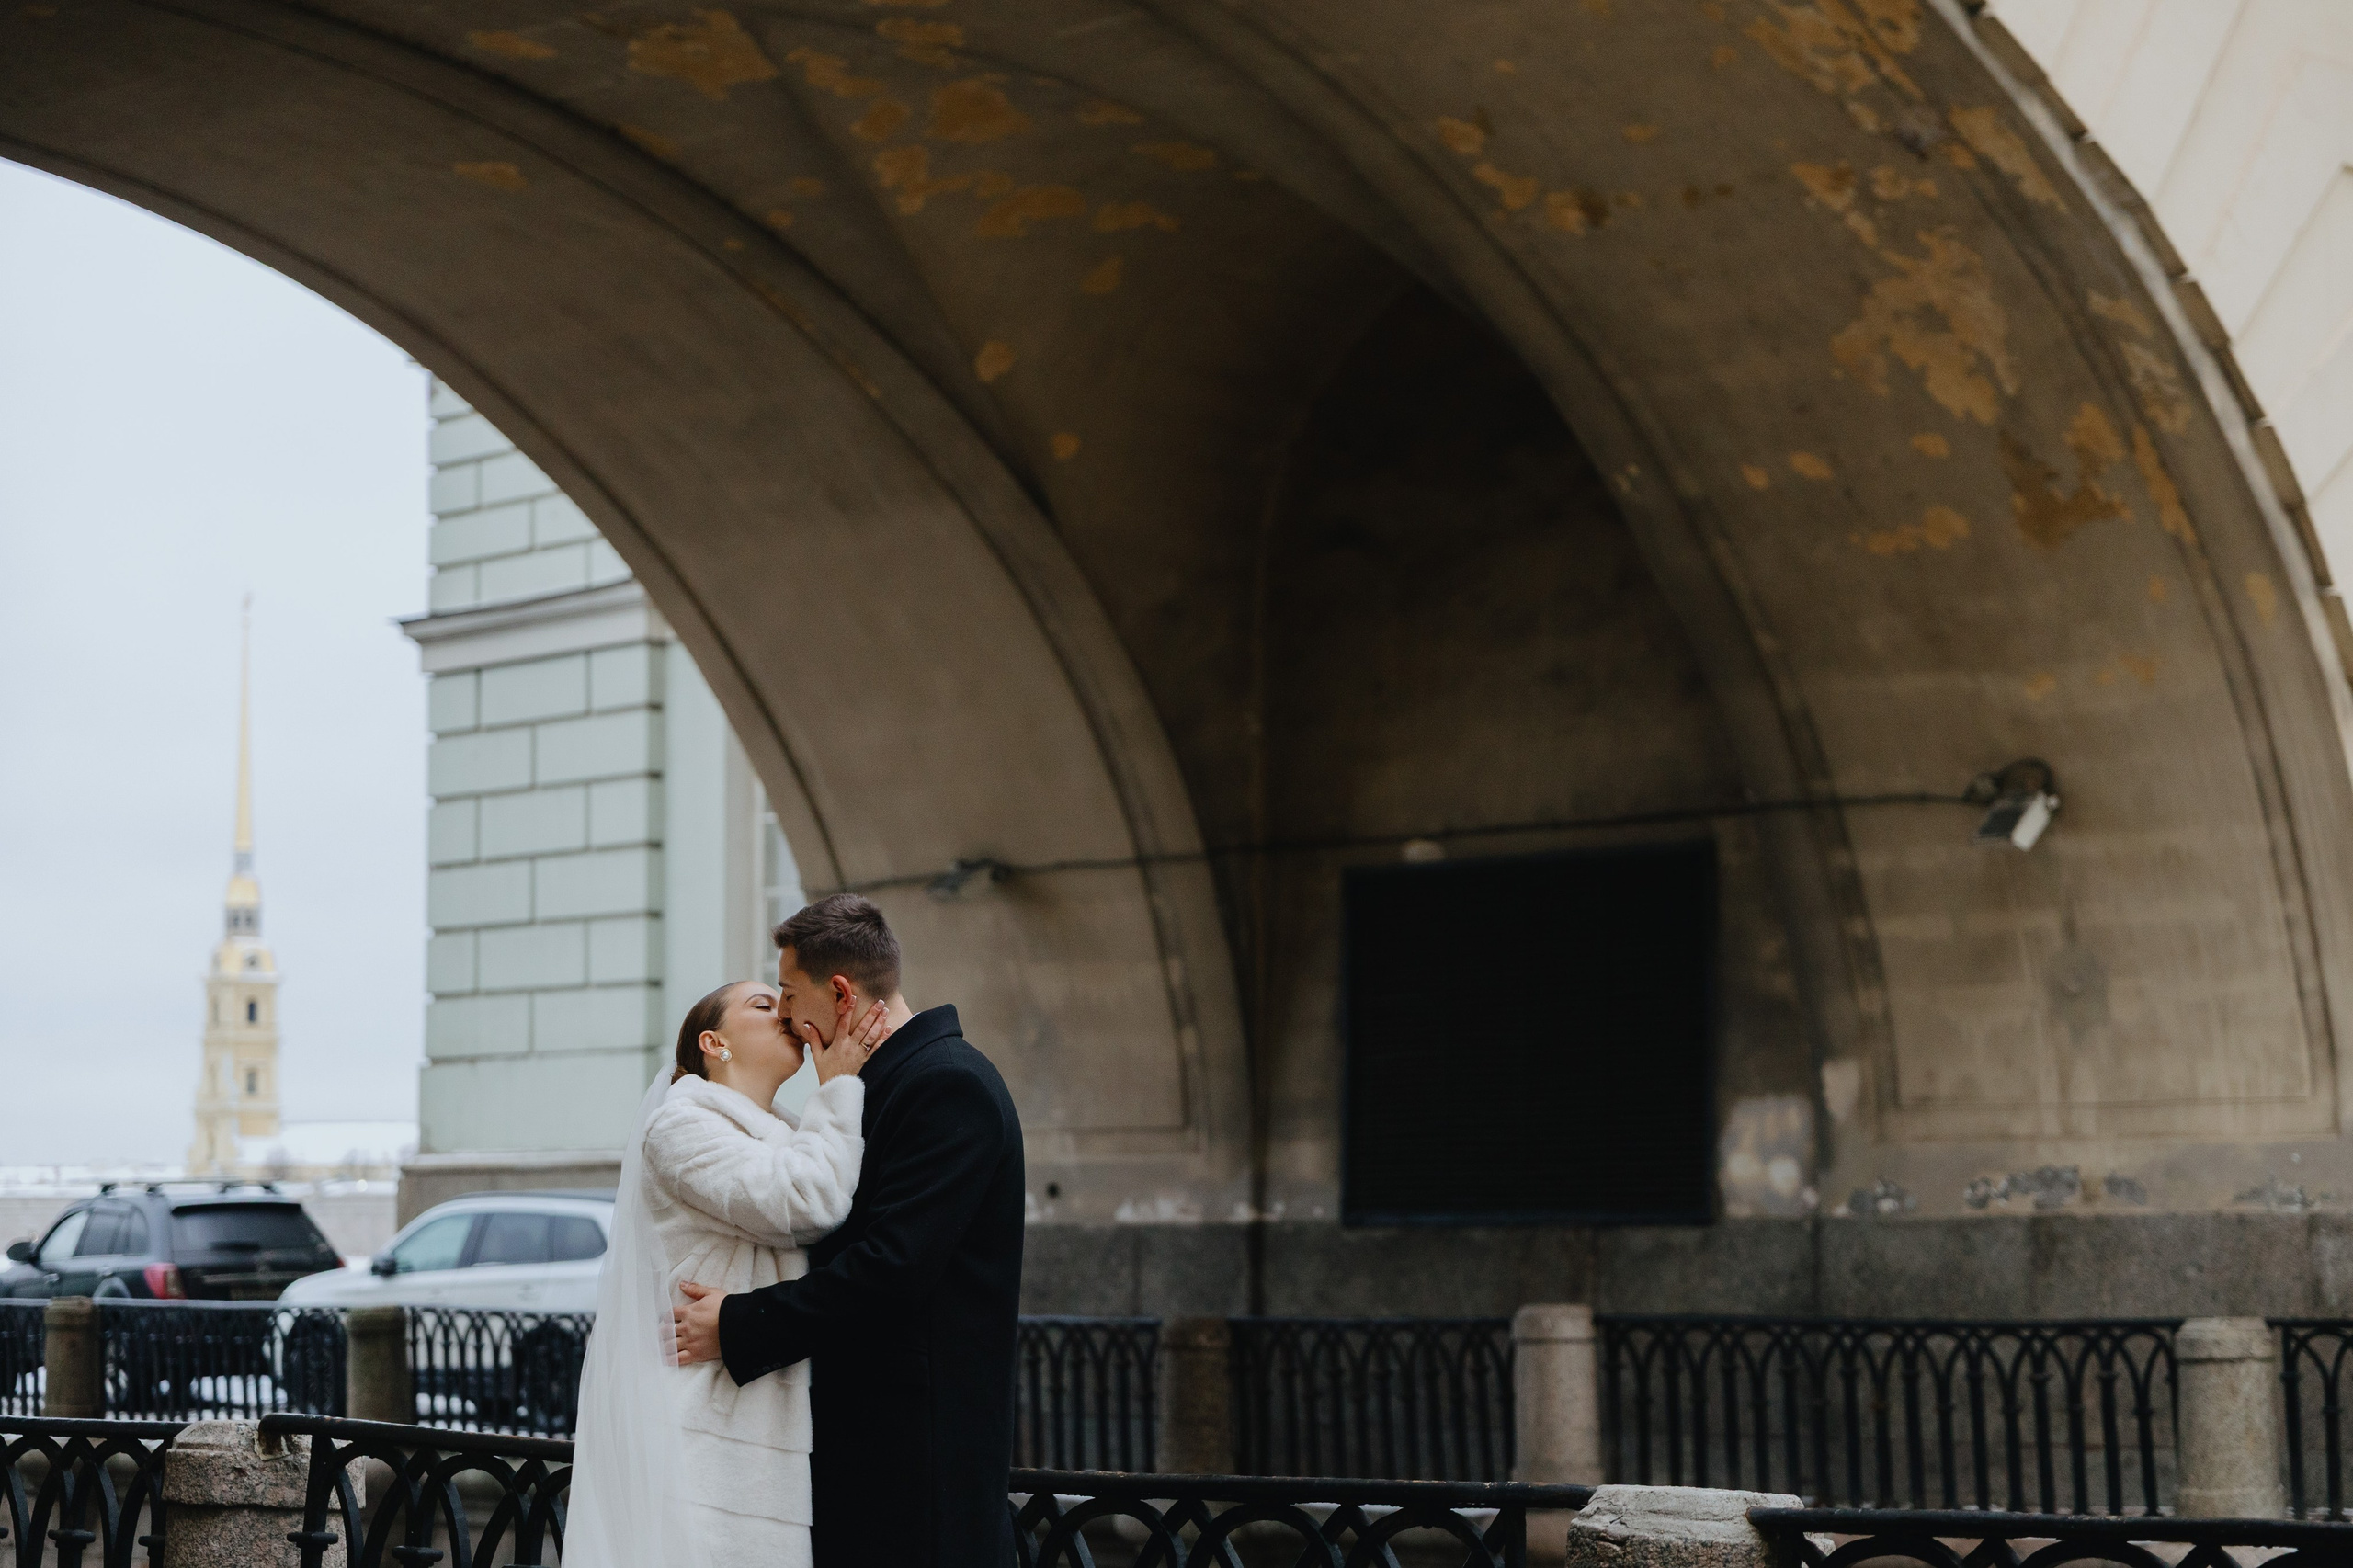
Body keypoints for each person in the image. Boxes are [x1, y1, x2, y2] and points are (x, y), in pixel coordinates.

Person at [672, 893, 1028, 1568]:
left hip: (913, 1478)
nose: (782, 1013)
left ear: (839, 993)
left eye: (787, 993)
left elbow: (890, 1268)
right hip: (868, 1464)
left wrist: (739, 1324)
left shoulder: (948, 1086)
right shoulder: (876, 1085)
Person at [565, 977, 890, 1568]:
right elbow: (807, 1202)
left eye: (783, 1001)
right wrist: (840, 1085)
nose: (783, 1014)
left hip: (758, 1429)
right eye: (762, 1005)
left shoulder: (788, 1134)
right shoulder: (680, 1128)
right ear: (715, 1043)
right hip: (701, 1435)